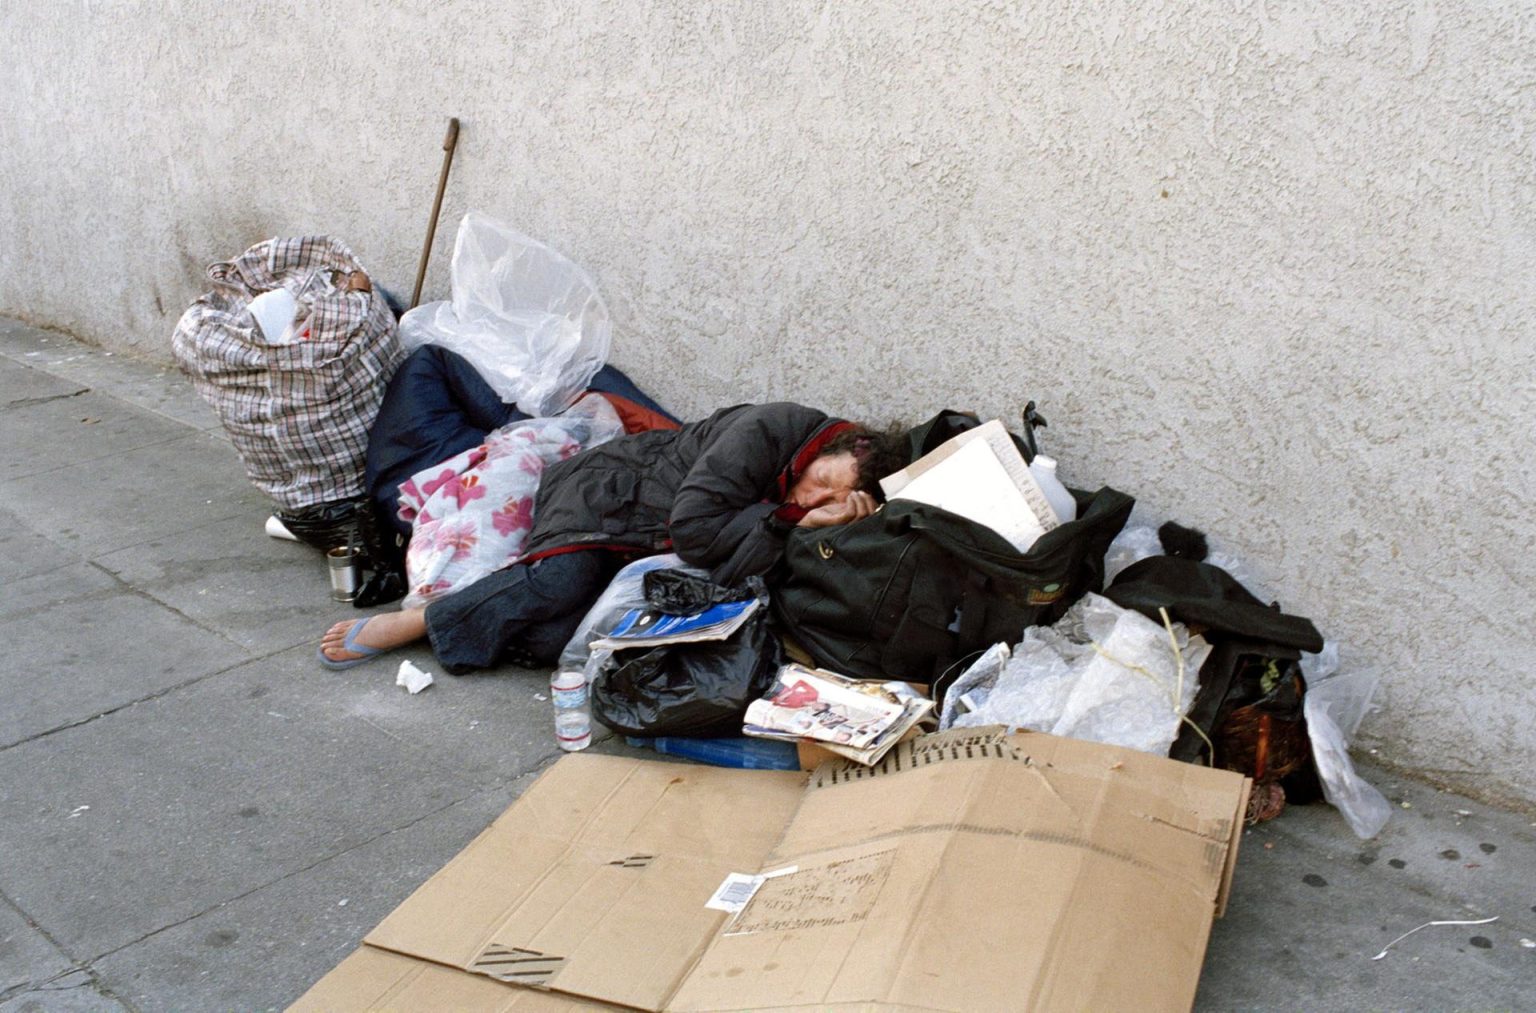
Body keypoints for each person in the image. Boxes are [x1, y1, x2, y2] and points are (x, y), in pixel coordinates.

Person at [318, 401, 907, 673]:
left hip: (648, 541)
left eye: (834, 501)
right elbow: (699, 536)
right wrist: (789, 524)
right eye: (822, 481)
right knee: (561, 578)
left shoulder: (812, 496)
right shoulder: (768, 431)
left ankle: (483, 621)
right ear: (825, 449)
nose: (814, 499)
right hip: (610, 492)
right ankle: (425, 620)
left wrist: (819, 524)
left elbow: (739, 569)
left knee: (559, 642)